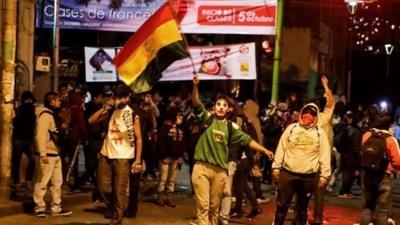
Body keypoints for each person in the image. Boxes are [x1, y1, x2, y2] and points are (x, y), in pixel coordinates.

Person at [191, 74, 274, 225]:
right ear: (214, 108)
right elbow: (196, 103)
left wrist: (264, 150)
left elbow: (248, 140)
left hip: (220, 171)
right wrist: (195, 86)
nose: (221, 107)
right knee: (203, 206)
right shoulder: (207, 118)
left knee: (214, 207)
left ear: (229, 109)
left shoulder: (232, 127)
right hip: (202, 168)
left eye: (224, 105)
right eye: (218, 104)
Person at [271, 103, 331, 225]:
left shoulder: (320, 133)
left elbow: (325, 155)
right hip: (288, 174)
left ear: (315, 118)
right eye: (305, 116)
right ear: (301, 114)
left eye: (311, 117)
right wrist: (276, 168)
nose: (307, 120)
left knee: (302, 208)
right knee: (282, 205)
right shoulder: (292, 128)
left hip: (308, 177)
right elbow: (281, 148)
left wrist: (325, 175)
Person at [97, 83, 143, 225]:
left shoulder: (132, 113)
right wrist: (105, 108)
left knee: (120, 189)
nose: (121, 100)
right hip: (106, 153)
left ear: (128, 97)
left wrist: (138, 159)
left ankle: (117, 218)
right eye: (118, 97)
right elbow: (91, 120)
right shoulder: (111, 110)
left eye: (123, 97)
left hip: (124, 155)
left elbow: (138, 138)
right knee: (102, 187)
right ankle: (113, 208)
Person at [357, 107, 400, 225]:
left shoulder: (367, 135)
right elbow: (398, 162)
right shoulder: (390, 139)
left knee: (367, 207)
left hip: (367, 175)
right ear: (389, 126)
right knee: (383, 210)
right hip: (384, 177)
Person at [33, 92, 72, 218]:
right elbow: (41, 134)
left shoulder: (51, 115)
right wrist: (42, 153)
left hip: (55, 153)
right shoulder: (45, 115)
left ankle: (56, 207)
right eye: (58, 100)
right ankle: (39, 207)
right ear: (52, 101)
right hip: (47, 153)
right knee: (42, 181)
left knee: (57, 182)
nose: (59, 102)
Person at [156, 108, 186, 207]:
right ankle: (160, 198)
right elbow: (160, 143)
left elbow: (182, 144)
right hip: (165, 158)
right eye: (179, 116)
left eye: (181, 116)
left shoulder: (180, 128)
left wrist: (181, 156)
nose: (181, 118)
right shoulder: (164, 128)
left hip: (176, 158)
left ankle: (169, 199)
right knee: (163, 179)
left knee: (172, 180)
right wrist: (163, 156)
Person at [12, 91, 36, 192]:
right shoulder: (17, 110)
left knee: (32, 160)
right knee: (16, 162)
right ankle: (17, 183)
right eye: (27, 100)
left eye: (30, 100)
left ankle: (28, 181)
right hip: (19, 139)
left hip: (29, 139)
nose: (29, 102)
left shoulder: (33, 111)